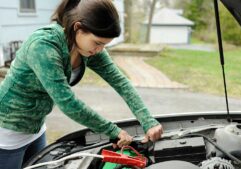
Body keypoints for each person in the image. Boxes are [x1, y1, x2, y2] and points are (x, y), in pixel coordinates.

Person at [0, 0, 163, 168]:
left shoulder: (88, 48)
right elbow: (67, 102)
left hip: (36, 127)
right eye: (98, 43)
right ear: (78, 27)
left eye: (105, 45)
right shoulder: (43, 46)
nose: (100, 50)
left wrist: (148, 121)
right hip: (7, 130)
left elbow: (120, 82)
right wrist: (113, 131)